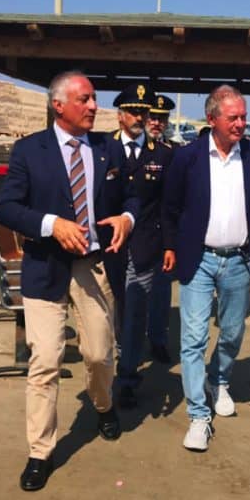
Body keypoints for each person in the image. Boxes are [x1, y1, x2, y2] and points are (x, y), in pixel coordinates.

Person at [0, 71, 138, 492]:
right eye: (84, 99)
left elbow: (133, 196)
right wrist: (51, 224)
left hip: (92, 266)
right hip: (45, 267)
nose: (94, 106)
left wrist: (126, 218)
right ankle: (40, 451)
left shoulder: (109, 147)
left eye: (94, 98)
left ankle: (103, 404)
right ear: (58, 105)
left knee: (99, 354)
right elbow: (7, 208)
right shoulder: (29, 150)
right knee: (45, 361)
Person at [162, 85, 250, 451]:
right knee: (193, 338)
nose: (240, 124)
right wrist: (171, 246)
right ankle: (198, 416)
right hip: (199, 258)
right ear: (212, 119)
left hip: (238, 259)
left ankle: (219, 380)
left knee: (232, 332)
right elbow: (170, 207)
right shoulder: (187, 157)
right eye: (233, 117)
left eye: (243, 117)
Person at [107, 83, 174, 409]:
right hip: (106, 246)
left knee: (134, 314)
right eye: (133, 111)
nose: (140, 117)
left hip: (145, 245)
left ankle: (127, 378)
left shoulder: (162, 154)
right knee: (108, 313)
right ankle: (105, 370)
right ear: (120, 115)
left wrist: (169, 245)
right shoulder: (103, 148)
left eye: (143, 112)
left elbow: (168, 206)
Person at [144, 94, 177, 365]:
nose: (157, 122)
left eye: (162, 118)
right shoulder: (129, 148)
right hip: (132, 231)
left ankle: (158, 340)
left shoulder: (173, 151)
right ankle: (125, 344)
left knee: (161, 292)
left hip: (162, 232)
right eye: (153, 117)